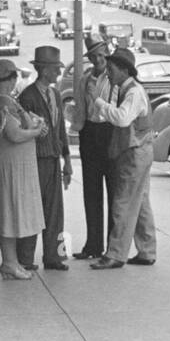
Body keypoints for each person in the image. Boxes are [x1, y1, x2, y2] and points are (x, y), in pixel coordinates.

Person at [89, 48, 157, 269]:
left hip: (134, 152)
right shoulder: (128, 89)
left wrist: (99, 103)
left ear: (124, 70)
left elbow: (122, 119)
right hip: (139, 150)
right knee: (141, 202)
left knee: (123, 202)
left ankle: (116, 254)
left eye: (111, 69)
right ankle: (147, 250)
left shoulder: (133, 93)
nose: (108, 72)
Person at [0, 59, 49, 280]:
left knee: (10, 212)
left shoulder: (6, 101)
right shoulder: (1, 103)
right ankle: (9, 262)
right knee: (8, 211)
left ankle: (10, 262)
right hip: (8, 167)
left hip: (12, 165)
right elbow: (14, 134)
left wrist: (34, 125)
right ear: (10, 78)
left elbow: (23, 125)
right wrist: (36, 132)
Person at [17, 46, 72, 271]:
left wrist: (67, 159)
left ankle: (53, 256)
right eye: (56, 68)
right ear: (44, 70)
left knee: (55, 211)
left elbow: (60, 130)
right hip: (35, 160)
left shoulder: (55, 94)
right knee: (33, 208)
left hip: (52, 158)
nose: (59, 73)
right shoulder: (28, 96)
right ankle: (26, 258)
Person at [70, 33, 114, 260]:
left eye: (101, 54)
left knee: (114, 193)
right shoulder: (86, 79)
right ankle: (93, 245)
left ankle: (113, 247)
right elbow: (79, 107)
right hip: (90, 133)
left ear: (107, 52)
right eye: (94, 56)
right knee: (91, 192)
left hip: (110, 132)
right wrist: (78, 130)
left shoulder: (115, 77)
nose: (98, 60)